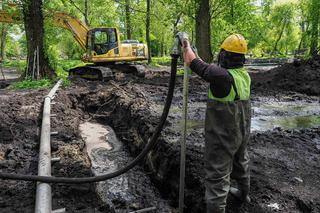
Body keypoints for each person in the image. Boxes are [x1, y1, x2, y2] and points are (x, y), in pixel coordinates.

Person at [182, 34, 251, 213]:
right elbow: (208, 69)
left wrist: (186, 44)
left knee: (217, 178)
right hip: (241, 133)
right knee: (241, 162)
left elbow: (192, 62)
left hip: (222, 137)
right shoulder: (244, 76)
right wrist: (197, 56)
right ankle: (243, 194)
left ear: (224, 55)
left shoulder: (221, 77)